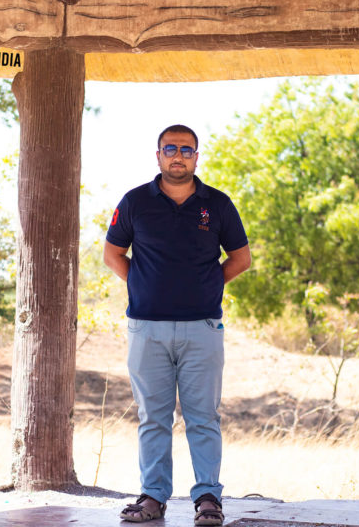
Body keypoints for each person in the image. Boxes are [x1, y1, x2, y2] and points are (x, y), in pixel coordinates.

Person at [103, 124, 251, 525]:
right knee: (153, 417)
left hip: (202, 329)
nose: (178, 156)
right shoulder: (135, 202)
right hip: (146, 329)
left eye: (187, 150)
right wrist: (143, 282)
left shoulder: (217, 205)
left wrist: (204, 286)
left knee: (203, 416)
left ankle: (207, 497)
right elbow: (113, 254)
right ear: (158, 155)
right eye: (171, 148)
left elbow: (240, 259)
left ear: (197, 157)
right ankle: (152, 497)